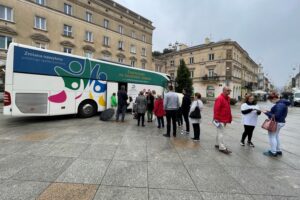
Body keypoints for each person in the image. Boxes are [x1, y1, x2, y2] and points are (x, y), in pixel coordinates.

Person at [262, 92, 291, 157]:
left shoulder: (279, 105)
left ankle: (273, 152)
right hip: (280, 122)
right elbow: (277, 114)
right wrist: (269, 112)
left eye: (271, 100)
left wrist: (266, 113)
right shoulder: (282, 103)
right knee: (276, 136)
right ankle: (278, 150)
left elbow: (276, 116)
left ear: (274, 98)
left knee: (272, 136)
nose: (271, 102)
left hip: (276, 122)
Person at [213, 86, 232, 154]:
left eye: (230, 90)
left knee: (219, 132)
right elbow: (216, 109)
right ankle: (222, 147)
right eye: (227, 90)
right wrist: (216, 119)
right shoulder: (220, 98)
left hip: (224, 119)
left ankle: (217, 144)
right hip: (220, 119)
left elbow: (227, 109)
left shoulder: (227, 98)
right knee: (221, 133)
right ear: (223, 90)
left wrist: (229, 118)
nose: (229, 92)